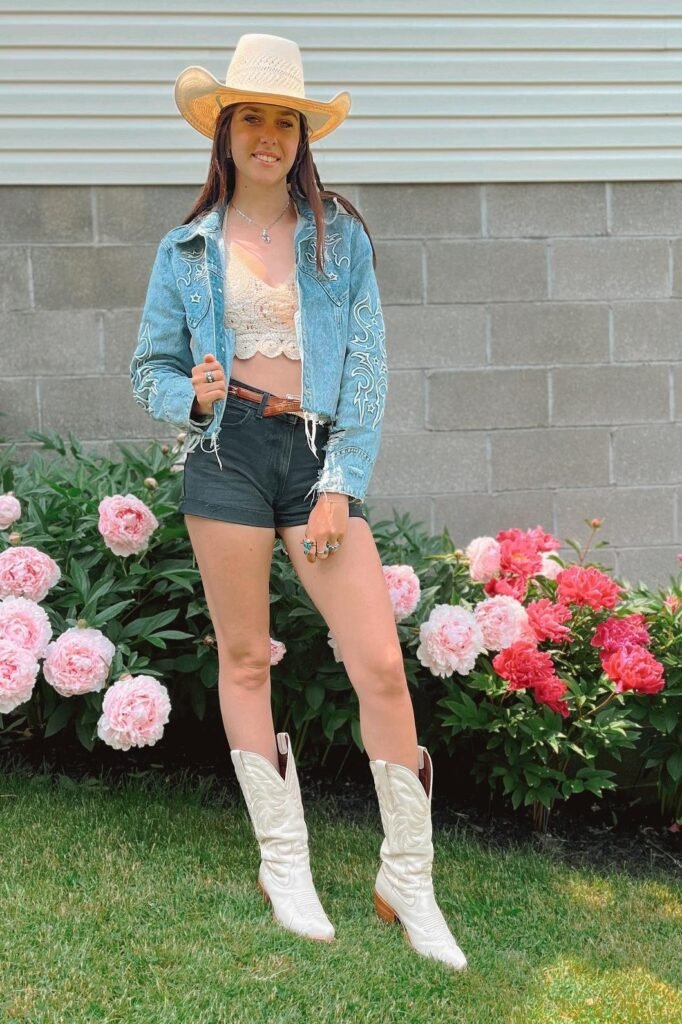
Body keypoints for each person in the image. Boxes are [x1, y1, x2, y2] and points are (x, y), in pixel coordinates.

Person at [130, 33, 467, 972]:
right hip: (227, 451)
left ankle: (410, 875)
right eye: (254, 120)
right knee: (245, 658)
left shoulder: (340, 237)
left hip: (314, 458)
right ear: (227, 133)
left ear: (301, 135)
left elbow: (367, 370)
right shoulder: (187, 245)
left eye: (286, 120)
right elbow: (146, 366)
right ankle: (286, 864)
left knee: (379, 665)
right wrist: (188, 395)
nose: (269, 136)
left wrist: (341, 484)